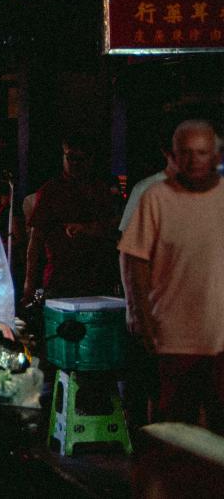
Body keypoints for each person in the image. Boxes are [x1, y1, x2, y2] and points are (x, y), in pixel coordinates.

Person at [119, 120, 224, 431]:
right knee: (174, 418)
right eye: (186, 153)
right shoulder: (153, 195)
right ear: (173, 155)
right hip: (172, 332)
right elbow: (132, 257)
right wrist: (136, 310)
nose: (194, 161)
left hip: (217, 332)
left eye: (202, 153)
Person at [119, 129, 182, 426]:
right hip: (158, 304)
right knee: (155, 385)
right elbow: (129, 254)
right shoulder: (148, 191)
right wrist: (134, 307)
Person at [24, 140, 123, 302]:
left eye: (81, 159)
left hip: (98, 278)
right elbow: (35, 240)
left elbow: (116, 228)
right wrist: (29, 285)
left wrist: (88, 228)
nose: (76, 164)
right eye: (71, 158)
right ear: (63, 158)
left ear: (90, 160)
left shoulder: (100, 190)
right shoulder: (51, 190)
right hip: (60, 279)